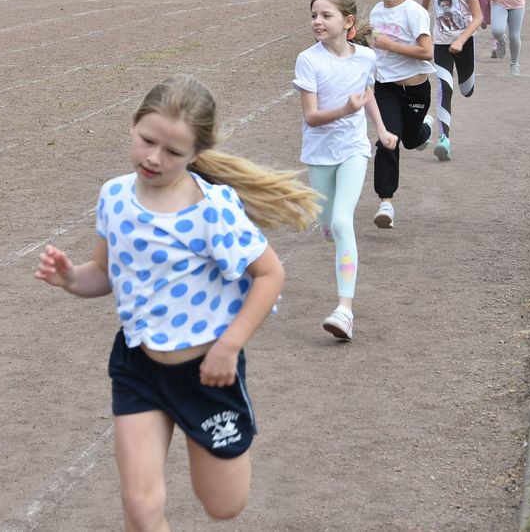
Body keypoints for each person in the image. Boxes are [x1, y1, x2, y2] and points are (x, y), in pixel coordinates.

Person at [33, 73, 317, 528]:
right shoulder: (114, 196)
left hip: (208, 373)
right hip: (138, 367)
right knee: (141, 507)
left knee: (223, 504)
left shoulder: (213, 210)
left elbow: (270, 274)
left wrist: (229, 347)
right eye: (147, 140)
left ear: (196, 154)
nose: (153, 158)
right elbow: (103, 275)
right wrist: (70, 278)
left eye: (172, 152)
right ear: (132, 125)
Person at [295, 0, 395, 339]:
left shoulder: (366, 58)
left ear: (348, 22)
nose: (317, 22)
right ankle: (330, 230)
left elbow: (366, 96)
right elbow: (312, 117)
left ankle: (344, 310)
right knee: (328, 226)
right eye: (314, 16)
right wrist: (345, 109)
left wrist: (381, 131)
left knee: (341, 221)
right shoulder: (308, 60)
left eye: (326, 16)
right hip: (319, 153)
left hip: (354, 149)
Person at [369, 0, 435, 228]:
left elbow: (427, 52)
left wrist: (390, 45)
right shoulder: (375, 12)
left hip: (416, 89)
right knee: (388, 140)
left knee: (411, 140)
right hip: (386, 88)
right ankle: (386, 203)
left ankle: (424, 130)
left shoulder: (415, 12)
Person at [422, 0, 482, 159]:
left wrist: (461, 40)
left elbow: (478, 18)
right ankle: (444, 139)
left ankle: (468, 80)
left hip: (464, 43)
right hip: (440, 44)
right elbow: (422, 12)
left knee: (466, 90)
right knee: (444, 89)